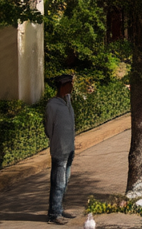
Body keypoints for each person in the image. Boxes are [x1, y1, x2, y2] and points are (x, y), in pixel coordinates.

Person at [44, 74, 75, 224]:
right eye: (69, 84)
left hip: (70, 148)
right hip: (59, 150)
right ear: (63, 86)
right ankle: (54, 214)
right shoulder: (52, 105)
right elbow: (49, 128)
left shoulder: (68, 101)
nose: (72, 87)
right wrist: (56, 140)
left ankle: (60, 209)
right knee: (58, 182)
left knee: (65, 180)